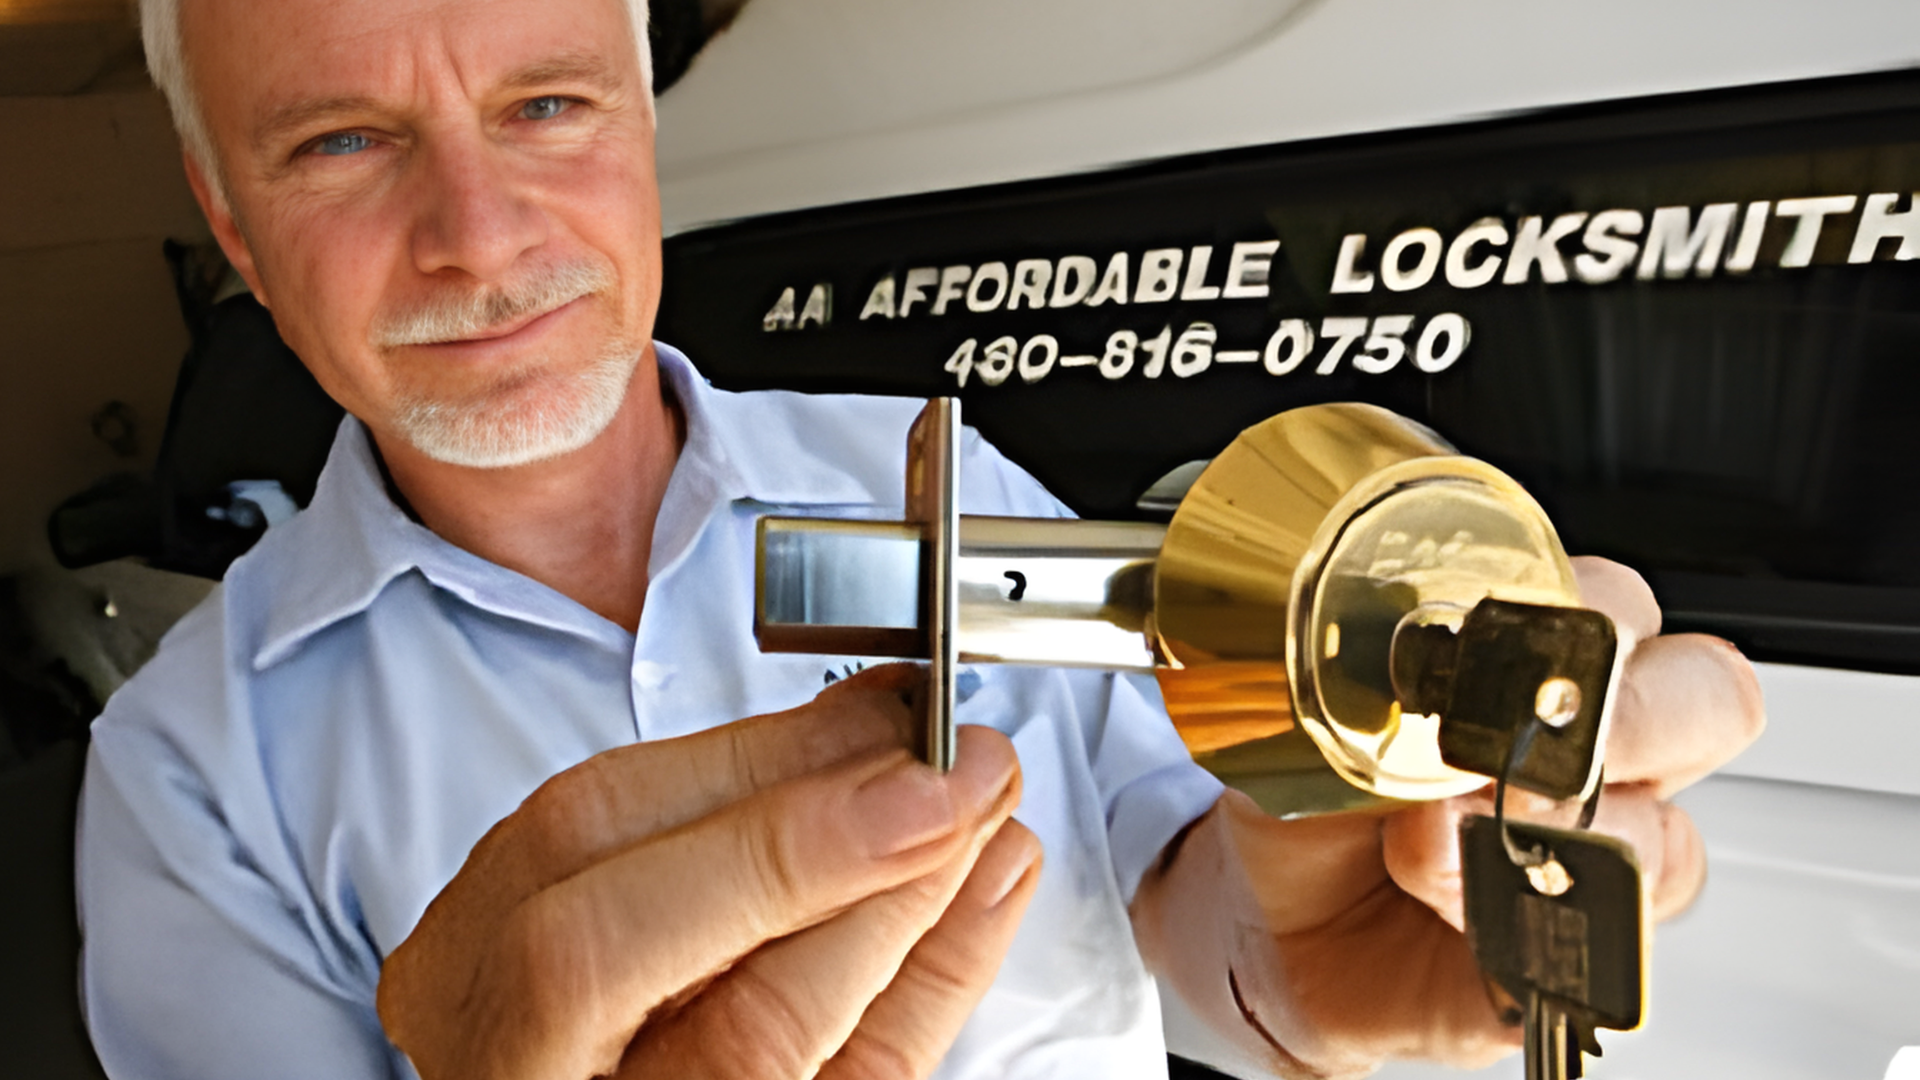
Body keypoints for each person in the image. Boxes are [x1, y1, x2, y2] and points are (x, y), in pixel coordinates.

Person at [76, 0, 1767, 1077]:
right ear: (228, 214)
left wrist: (1311, 966)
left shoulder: (933, 472)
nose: (478, 235)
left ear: (646, 118)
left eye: (547, 108)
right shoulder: (187, 773)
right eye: (345, 142)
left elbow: (1202, 918)